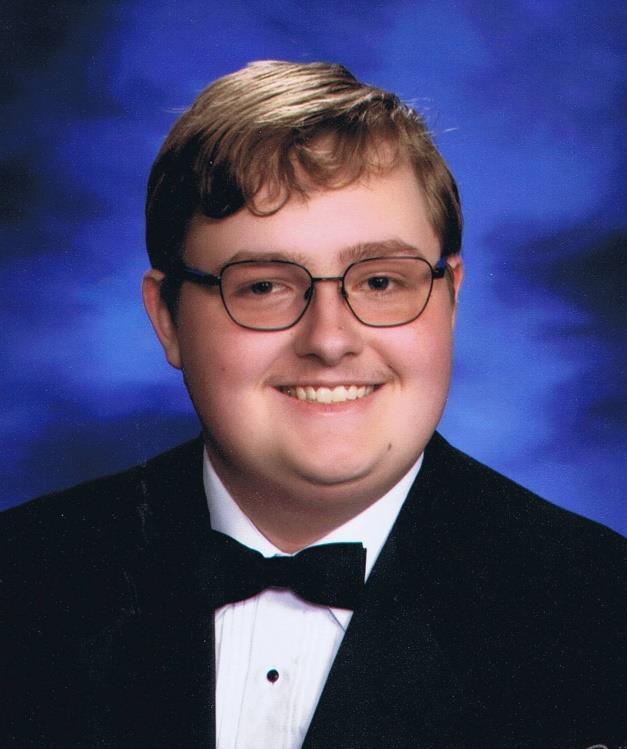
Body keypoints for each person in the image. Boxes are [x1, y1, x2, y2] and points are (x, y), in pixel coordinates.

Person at [3, 60, 625, 748]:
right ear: (167, 318)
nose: (329, 340)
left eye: (381, 281)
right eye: (263, 286)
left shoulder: (600, 612)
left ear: (449, 299)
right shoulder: (23, 581)